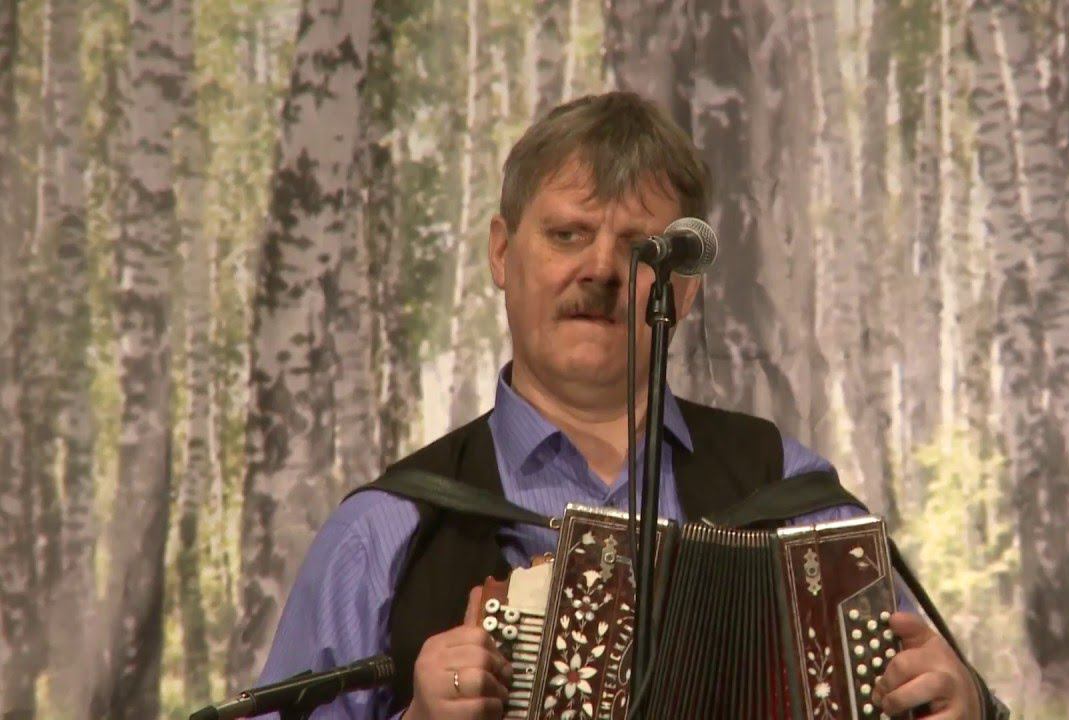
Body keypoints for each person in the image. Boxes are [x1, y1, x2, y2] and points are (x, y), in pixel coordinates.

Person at [256, 92, 1006, 720]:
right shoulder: (385, 534)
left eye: (641, 248)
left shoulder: (792, 497)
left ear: (685, 287)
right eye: (568, 235)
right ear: (501, 253)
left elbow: (924, 691)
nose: (602, 271)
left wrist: (965, 704)